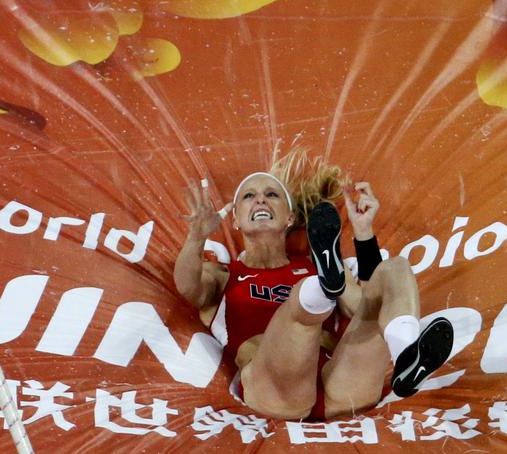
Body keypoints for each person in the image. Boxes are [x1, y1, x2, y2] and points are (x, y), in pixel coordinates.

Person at [175, 157, 453, 420]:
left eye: (272, 195)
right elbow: (188, 287)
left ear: (289, 218)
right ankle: (320, 291)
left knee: (396, 268)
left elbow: (364, 307)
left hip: (342, 387)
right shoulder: (224, 275)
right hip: (278, 394)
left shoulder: (314, 265)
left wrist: (364, 234)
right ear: (235, 219)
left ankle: (407, 356)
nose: (260, 198)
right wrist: (196, 238)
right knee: (300, 302)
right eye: (249, 196)